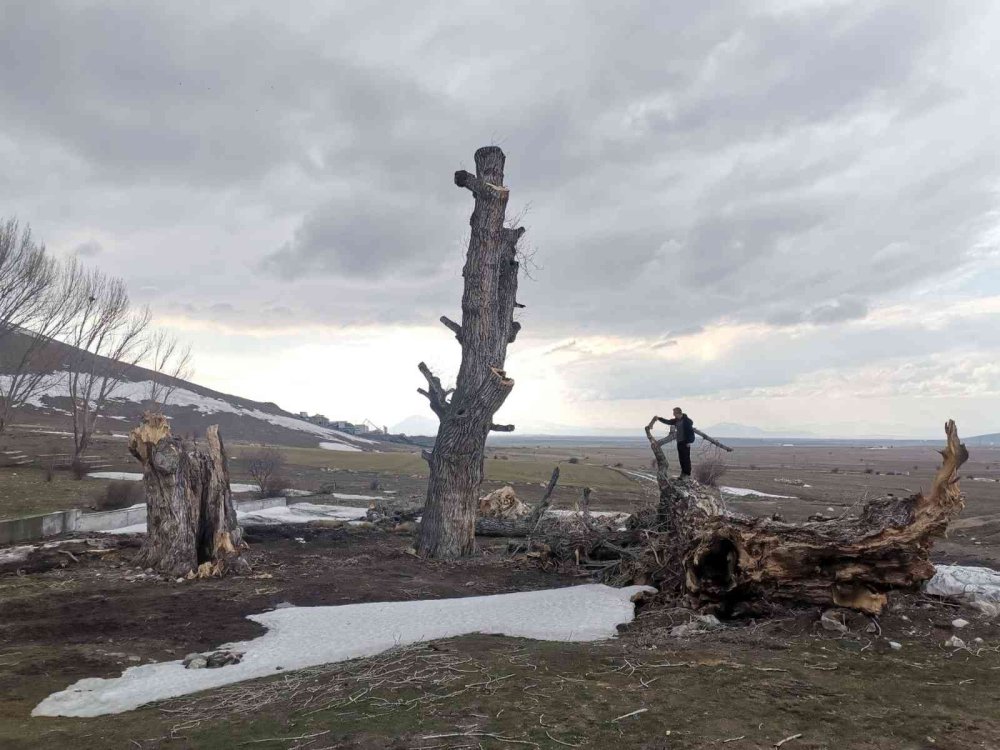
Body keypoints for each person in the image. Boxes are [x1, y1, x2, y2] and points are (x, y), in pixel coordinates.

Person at [656, 407, 695, 478]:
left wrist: (689, 441)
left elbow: (691, 432)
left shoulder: (686, 421)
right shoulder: (676, 420)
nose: (673, 414)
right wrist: (659, 418)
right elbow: (668, 422)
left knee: (686, 458)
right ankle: (683, 473)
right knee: (681, 458)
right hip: (679, 442)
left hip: (685, 442)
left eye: (674, 413)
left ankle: (687, 474)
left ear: (678, 413)